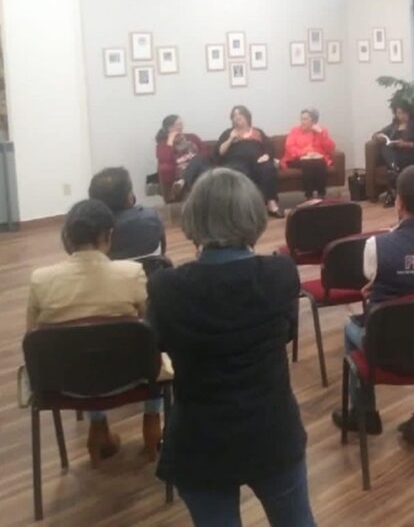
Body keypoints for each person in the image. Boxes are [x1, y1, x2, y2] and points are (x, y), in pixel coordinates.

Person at [147, 168, 314, 527]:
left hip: (200, 440)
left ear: (194, 218)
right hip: (273, 432)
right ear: (253, 214)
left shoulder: (166, 288)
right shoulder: (280, 273)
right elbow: (286, 332)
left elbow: (157, 347)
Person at [330, 165, 414, 444]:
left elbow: (373, 278)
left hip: (387, 349)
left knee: (350, 327)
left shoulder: (376, 246)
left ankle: (364, 412)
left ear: (399, 202)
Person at [26, 199, 160, 467]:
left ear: (67, 238)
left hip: (64, 384)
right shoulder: (132, 273)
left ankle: (97, 428)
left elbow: (32, 335)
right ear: (107, 235)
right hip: (132, 379)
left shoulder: (40, 279)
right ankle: (152, 424)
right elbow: (150, 329)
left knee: (82, 354)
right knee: (149, 351)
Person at [217, 105, 284, 218]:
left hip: (257, 161)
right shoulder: (228, 133)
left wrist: (267, 155)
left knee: (268, 167)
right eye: (234, 115)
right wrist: (230, 139)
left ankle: (271, 204)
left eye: (240, 114)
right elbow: (220, 152)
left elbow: (269, 147)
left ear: (247, 116)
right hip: (237, 162)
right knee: (236, 172)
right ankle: (239, 210)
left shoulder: (257, 132)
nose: (237, 117)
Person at [88, 167, 165, 260]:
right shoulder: (152, 217)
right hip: (154, 269)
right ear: (129, 197)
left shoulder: (92, 232)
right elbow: (162, 252)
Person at [372, 100, 414, 207]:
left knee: (394, 160)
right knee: (385, 147)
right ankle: (395, 168)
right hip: (397, 154)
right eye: (399, 113)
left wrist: (406, 144)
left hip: (412, 153)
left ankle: (392, 188)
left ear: (409, 112)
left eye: (404, 113)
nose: (401, 116)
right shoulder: (394, 125)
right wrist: (378, 136)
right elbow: (377, 134)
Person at [282, 108, 338, 200]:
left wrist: (321, 134)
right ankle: (309, 195)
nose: (302, 122)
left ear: (313, 121)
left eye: (305, 119)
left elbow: (330, 148)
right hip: (296, 158)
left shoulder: (321, 131)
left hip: (316, 158)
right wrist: (305, 153)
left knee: (320, 162)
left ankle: (321, 195)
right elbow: (289, 146)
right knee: (308, 163)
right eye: (301, 119)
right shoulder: (295, 130)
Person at [155, 114, 212, 200]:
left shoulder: (192, 137)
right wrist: (170, 140)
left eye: (181, 124)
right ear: (170, 128)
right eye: (178, 124)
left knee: (198, 159)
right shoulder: (163, 144)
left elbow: (205, 152)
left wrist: (195, 161)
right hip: (185, 171)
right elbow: (164, 159)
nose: (181, 126)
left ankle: (182, 181)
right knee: (202, 172)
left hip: (200, 166)